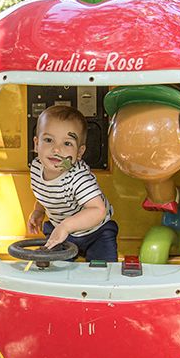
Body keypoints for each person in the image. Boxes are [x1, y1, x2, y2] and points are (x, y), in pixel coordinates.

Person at [26, 105, 118, 261]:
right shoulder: (36, 167)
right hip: (62, 230)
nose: (56, 149)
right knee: (54, 269)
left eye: (67, 143)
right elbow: (44, 192)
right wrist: (39, 211)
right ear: (36, 144)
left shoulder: (78, 178)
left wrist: (66, 226)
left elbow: (98, 210)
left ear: (80, 152)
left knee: (103, 271)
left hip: (96, 232)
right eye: (48, 140)